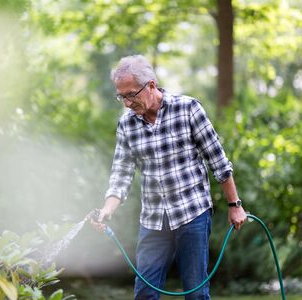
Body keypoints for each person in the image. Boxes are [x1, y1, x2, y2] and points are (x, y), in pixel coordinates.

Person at [92, 55, 247, 300]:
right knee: (144, 294)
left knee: (196, 294)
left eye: (131, 94)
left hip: (192, 214)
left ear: (151, 85)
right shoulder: (126, 125)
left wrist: (234, 205)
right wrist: (106, 210)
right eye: (121, 96)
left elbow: (218, 161)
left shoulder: (188, 109)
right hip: (153, 220)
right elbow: (121, 174)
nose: (127, 103)